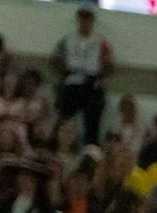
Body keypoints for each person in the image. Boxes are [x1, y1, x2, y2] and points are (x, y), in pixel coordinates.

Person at [53, 5, 113, 146]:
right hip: (71, 82)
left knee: (92, 126)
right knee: (65, 121)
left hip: (92, 85)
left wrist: (98, 75)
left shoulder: (101, 42)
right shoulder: (68, 39)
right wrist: (64, 70)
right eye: (82, 18)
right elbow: (55, 59)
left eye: (88, 18)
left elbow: (109, 65)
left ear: (92, 20)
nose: (84, 21)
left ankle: (89, 154)